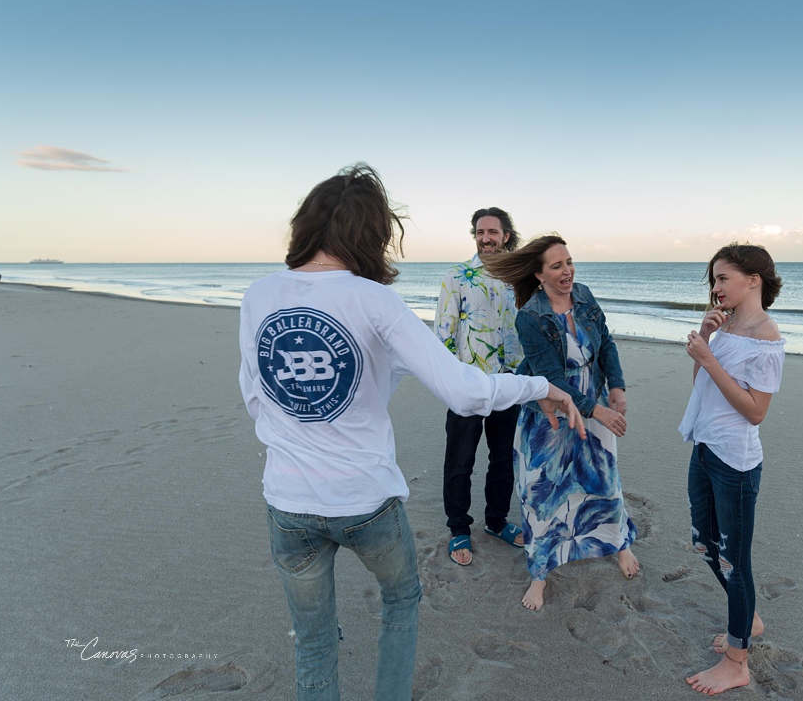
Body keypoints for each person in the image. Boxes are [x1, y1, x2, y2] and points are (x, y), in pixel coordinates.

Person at [238, 164, 584, 701]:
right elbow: (466, 391)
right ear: (373, 234)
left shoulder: (259, 296)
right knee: (399, 601)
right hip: (366, 501)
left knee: (311, 642)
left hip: (287, 501)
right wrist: (539, 386)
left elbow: (256, 396)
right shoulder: (375, 301)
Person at [483, 234, 639, 611]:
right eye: (556, 266)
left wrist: (615, 387)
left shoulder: (583, 295)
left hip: (594, 398)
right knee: (543, 493)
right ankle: (540, 574)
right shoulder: (530, 317)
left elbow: (607, 343)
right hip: (550, 412)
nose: (567, 271)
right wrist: (597, 410)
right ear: (539, 275)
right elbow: (550, 375)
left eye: (568, 262)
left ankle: (619, 544)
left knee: (603, 479)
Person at [680, 243, 785, 696]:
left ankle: (737, 661)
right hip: (705, 446)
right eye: (714, 280)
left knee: (733, 559)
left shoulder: (765, 335)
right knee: (704, 542)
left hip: (736, 463)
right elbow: (704, 387)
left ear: (753, 280)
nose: (716, 288)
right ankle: (750, 619)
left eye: (723, 279)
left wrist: (709, 359)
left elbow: (755, 411)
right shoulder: (724, 328)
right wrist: (705, 347)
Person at [434, 207, 526, 566]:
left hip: (508, 383)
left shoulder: (520, 277)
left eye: (493, 232)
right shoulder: (457, 276)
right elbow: (443, 333)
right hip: (467, 385)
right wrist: (449, 382)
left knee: (503, 459)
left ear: (506, 235)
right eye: (479, 232)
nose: (485, 237)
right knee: (460, 461)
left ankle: (497, 521)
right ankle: (459, 528)